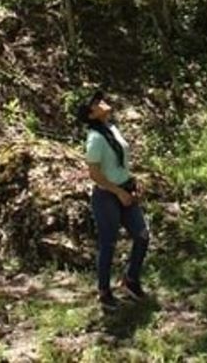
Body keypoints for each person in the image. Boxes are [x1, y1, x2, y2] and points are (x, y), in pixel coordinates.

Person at [77, 89, 149, 310]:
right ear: (91, 115)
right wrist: (118, 192)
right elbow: (95, 174)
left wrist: (132, 182)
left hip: (125, 188)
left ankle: (130, 280)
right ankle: (104, 292)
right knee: (108, 244)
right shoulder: (95, 138)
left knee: (142, 235)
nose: (102, 102)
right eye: (96, 103)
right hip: (107, 195)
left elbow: (120, 163)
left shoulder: (111, 128)